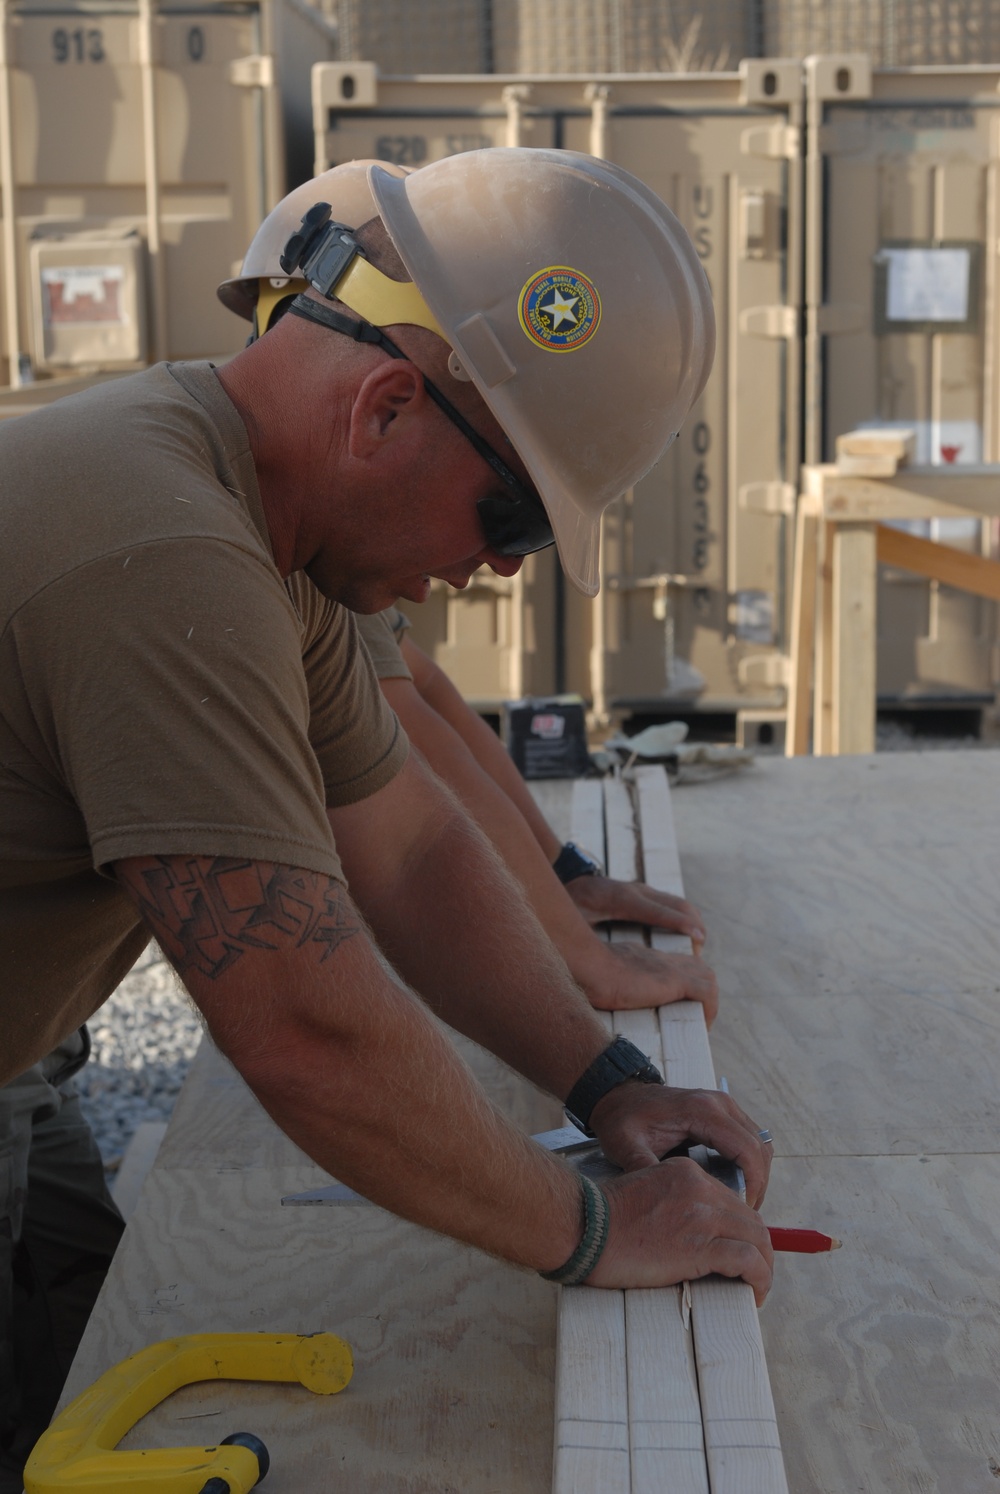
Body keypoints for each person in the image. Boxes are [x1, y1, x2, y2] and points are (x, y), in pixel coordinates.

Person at [0, 148, 772, 1487]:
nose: (485, 573)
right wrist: (592, 1225)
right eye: (512, 518)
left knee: (77, 1368)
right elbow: (303, 1025)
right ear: (386, 408)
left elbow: (408, 848)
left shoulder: (253, 536)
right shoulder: (166, 553)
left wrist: (611, 1085)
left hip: (25, 1056)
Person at [218, 165, 717, 1020]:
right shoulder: (250, 528)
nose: (506, 564)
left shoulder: (298, 520)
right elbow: (411, 778)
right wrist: (577, 960)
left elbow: (427, 694)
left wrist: (564, 882)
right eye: (512, 515)